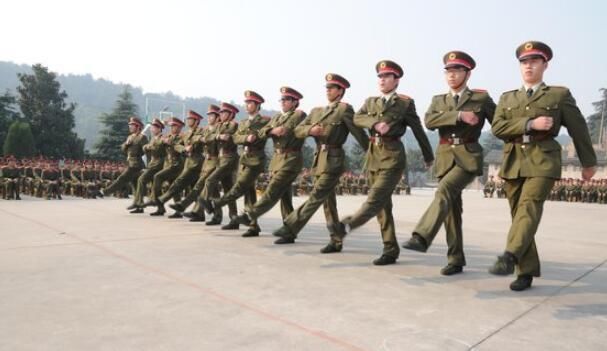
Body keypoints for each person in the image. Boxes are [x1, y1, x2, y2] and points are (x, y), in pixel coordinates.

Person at [489, 41, 597, 291]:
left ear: (545, 65)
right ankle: (525, 271)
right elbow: (498, 128)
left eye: (534, 61)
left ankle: (510, 256)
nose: (528, 66)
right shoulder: (507, 98)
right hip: (514, 160)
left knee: (528, 208)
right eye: (524, 62)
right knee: (520, 218)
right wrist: (529, 124)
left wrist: (588, 162)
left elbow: (578, 128)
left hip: (544, 159)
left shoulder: (558, 95)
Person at [401, 51, 496, 275]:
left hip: (468, 157)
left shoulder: (481, 98)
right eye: (448, 71)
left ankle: (421, 236)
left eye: (457, 70)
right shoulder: (438, 100)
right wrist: (459, 116)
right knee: (452, 210)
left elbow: (499, 124)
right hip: (445, 157)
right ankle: (455, 259)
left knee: (443, 191)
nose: (452, 75)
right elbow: (429, 121)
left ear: (468, 73)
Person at [338, 60, 434, 265]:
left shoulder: (405, 103)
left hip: (392, 157)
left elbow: (418, 131)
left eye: (387, 76)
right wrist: (375, 123)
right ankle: (390, 249)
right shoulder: (370, 102)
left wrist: (428, 156)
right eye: (380, 77)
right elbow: (357, 118)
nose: (382, 80)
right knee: (383, 207)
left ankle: (346, 225)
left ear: (396, 80)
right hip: (373, 157)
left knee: (374, 199)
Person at [271, 73, 369, 250]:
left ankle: (290, 226)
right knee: (327, 201)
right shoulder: (318, 112)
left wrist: (372, 155)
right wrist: (311, 130)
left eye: (332, 88)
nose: (328, 91)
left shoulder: (344, 109)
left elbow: (359, 134)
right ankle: (336, 240)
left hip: (334, 160)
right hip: (319, 161)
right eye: (327, 88)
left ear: (340, 91)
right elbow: (298, 131)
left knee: (316, 194)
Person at [233, 87, 307, 230]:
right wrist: (272, 130)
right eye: (282, 99)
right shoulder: (276, 117)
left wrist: (271, 130)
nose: (283, 102)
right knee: (285, 196)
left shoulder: (298, 115)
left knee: (273, 189)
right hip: (277, 160)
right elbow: (261, 132)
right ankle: (290, 228)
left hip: (290, 158)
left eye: (286, 100)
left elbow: (285, 129)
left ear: (294, 102)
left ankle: (249, 215)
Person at [209, 91, 270, 237]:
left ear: (257, 105)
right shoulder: (243, 123)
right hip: (244, 159)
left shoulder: (264, 121)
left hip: (256, 158)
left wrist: (251, 138)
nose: (247, 105)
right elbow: (236, 139)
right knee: (249, 192)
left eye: (250, 103)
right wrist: (246, 138)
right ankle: (253, 225)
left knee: (240, 187)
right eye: (246, 103)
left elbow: (262, 135)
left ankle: (217, 204)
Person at [102, 117, 148, 199]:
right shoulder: (130, 137)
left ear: (138, 127)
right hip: (130, 162)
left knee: (122, 178)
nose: (130, 127)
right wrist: (126, 144)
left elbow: (146, 150)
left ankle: (106, 191)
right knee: (135, 185)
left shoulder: (142, 137)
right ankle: (139, 205)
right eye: (129, 125)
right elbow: (123, 150)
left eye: (132, 125)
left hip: (136, 164)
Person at [130, 118, 166, 213]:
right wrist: (147, 147)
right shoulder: (153, 138)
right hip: (153, 164)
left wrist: (148, 147)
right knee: (155, 186)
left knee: (142, 179)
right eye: (152, 127)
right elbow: (146, 148)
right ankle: (160, 208)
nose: (152, 129)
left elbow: (154, 148)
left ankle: (138, 203)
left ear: (159, 129)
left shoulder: (162, 138)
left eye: (154, 127)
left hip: (159, 164)